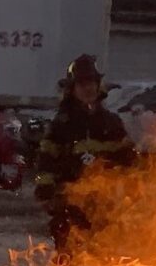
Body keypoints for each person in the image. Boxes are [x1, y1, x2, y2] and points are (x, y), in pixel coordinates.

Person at [33, 55, 137, 254]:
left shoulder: (111, 123)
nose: (87, 88)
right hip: (69, 205)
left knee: (101, 259)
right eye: (81, 84)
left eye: (91, 83)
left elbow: (127, 160)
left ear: (98, 86)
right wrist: (46, 192)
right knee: (69, 259)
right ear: (72, 89)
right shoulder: (61, 125)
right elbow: (45, 162)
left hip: (104, 207)